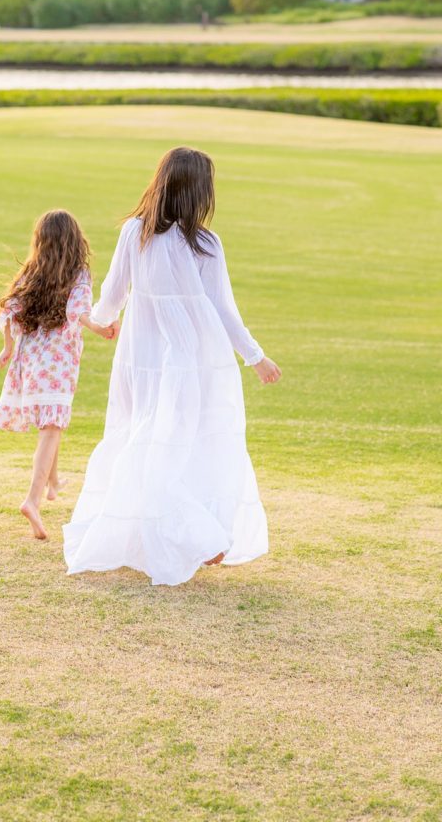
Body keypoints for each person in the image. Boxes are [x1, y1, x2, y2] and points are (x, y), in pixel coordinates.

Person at [63, 147, 281, 586]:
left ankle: (184, 535)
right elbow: (223, 311)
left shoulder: (137, 233)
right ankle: (197, 534)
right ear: (200, 192)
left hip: (145, 357)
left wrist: (99, 321)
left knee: (149, 439)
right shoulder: (200, 243)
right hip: (185, 358)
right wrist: (255, 357)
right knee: (170, 440)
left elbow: (113, 294)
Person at [0, 210, 115, 540]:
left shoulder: (33, 272)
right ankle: (32, 499)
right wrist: (101, 328)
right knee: (52, 427)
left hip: (31, 363)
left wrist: (7, 348)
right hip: (57, 364)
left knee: (51, 424)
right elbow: (79, 312)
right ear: (75, 242)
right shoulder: (78, 274)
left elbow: (9, 307)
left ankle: (53, 482)